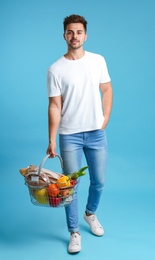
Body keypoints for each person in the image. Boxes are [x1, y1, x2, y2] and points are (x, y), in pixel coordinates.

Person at [46, 14, 113, 254]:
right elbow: (55, 106)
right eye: (70, 32)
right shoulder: (55, 69)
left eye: (79, 32)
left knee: (99, 181)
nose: (75, 36)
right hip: (70, 135)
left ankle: (90, 214)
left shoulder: (97, 61)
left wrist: (105, 119)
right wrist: (52, 139)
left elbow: (106, 89)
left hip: (96, 134)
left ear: (86, 35)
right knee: (70, 186)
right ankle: (73, 232)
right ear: (64, 35)